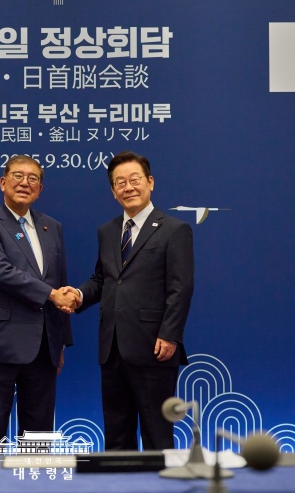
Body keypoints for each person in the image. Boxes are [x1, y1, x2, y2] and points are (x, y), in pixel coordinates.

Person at [73, 151, 194, 451]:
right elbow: (103, 280)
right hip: (112, 348)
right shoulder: (107, 232)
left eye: (134, 179)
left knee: (157, 436)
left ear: (150, 182)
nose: (128, 187)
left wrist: (170, 334)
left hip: (155, 347)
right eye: (120, 182)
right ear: (113, 191)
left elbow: (180, 288)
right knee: (116, 438)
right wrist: (78, 296)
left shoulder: (174, 230)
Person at [0, 155, 76, 452]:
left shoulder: (52, 227)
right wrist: (51, 294)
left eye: (33, 179)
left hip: (44, 347)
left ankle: (36, 477)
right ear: (3, 182)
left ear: (39, 189)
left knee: (38, 441)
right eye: (18, 175)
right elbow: (0, 272)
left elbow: (60, 280)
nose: (24, 183)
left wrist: (60, 342)